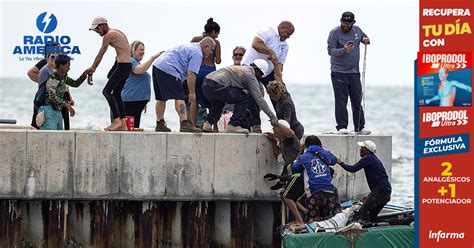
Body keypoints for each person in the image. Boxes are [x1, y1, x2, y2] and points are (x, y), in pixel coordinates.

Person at [153, 37, 216, 132]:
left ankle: (160, 123)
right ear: (205, 46)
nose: (211, 53)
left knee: (161, 98)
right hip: (170, 69)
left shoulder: (191, 47)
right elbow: (191, 74)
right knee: (179, 97)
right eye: (211, 49)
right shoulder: (197, 53)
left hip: (157, 66)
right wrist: (192, 93)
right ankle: (185, 123)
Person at [242, 21, 295, 133]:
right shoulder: (268, 32)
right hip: (252, 68)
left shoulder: (285, 46)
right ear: (282, 28)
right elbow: (256, 44)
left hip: (268, 71)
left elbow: (279, 66)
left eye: (290, 35)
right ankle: (255, 124)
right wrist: (271, 52)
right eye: (288, 33)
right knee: (254, 94)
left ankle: (283, 124)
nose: (288, 37)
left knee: (280, 93)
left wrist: (280, 82)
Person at [201, 59, 278, 133]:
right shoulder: (251, 76)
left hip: (206, 83)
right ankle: (233, 125)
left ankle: (208, 123)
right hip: (217, 84)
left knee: (218, 103)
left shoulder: (243, 69)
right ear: (258, 71)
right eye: (261, 75)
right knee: (244, 97)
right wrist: (272, 116)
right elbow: (259, 98)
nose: (260, 77)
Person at [327, 11, 371, 135]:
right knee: (341, 100)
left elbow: (363, 36)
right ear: (341, 21)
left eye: (348, 23)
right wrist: (343, 50)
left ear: (353, 23)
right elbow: (330, 51)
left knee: (357, 99)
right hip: (338, 72)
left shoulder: (357, 30)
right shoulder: (334, 33)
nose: (346, 26)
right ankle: (342, 126)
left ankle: (359, 126)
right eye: (344, 23)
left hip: (354, 72)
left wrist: (365, 39)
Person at [88, 16, 132, 131]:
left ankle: (116, 121)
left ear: (103, 26)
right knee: (117, 94)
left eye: (97, 29)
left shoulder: (108, 35)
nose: (97, 32)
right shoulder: (117, 32)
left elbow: (100, 54)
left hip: (122, 66)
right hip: (126, 66)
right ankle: (123, 124)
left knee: (106, 91)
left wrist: (93, 68)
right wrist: (113, 69)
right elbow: (124, 49)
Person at [336, 140, 392, 225]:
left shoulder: (368, 158)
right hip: (385, 191)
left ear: (367, 150)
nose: (360, 150)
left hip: (380, 191)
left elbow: (352, 169)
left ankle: (365, 229)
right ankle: (373, 228)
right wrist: (371, 195)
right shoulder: (373, 159)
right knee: (372, 216)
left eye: (362, 148)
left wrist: (340, 162)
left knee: (363, 211)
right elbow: (380, 180)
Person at [291, 135, 340, 222]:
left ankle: (312, 234)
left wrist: (300, 151)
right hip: (329, 192)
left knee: (313, 221)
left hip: (314, 192)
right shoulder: (326, 154)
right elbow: (334, 160)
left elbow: (293, 168)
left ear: (306, 145)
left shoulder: (303, 157)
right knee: (325, 220)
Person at [38, 54, 92, 130]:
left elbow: (75, 83)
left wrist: (85, 73)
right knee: (51, 137)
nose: (69, 68)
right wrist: (66, 105)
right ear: (61, 65)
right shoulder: (54, 78)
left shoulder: (63, 77)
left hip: (57, 111)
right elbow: (52, 96)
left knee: (59, 137)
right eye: (68, 66)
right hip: (48, 110)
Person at [28, 43, 74, 130]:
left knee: (65, 116)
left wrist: (70, 96)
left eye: (60, 49)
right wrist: (46, 82)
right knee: (39, 118)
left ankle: (66, 133)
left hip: (61, 93)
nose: (60, 51)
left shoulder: (61, 63)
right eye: (58, 49)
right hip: (47, 95)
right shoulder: (45, 62)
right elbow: (30, 73)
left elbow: (64, 82)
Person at [121, 41, 163, 128]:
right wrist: (153, 57)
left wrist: (143, 103)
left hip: (136, 102)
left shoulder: (136, 62)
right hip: (129, 102)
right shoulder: (130, 61)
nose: (143, 52)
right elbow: (139, 70)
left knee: (134, 127)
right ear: (133, 50)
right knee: (129, 128)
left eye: (144, 50)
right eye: (140, 50)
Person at [190, 18, 222, 128]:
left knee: (195, 100)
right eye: (217, 33)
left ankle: (192, 125)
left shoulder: (196, 39)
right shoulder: (216, 43)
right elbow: (218, 60)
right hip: (210, 72)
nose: (217, 36)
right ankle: (215, 127)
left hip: (197, 70)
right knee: (213, 99)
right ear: (213, 32)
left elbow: (190, 53)